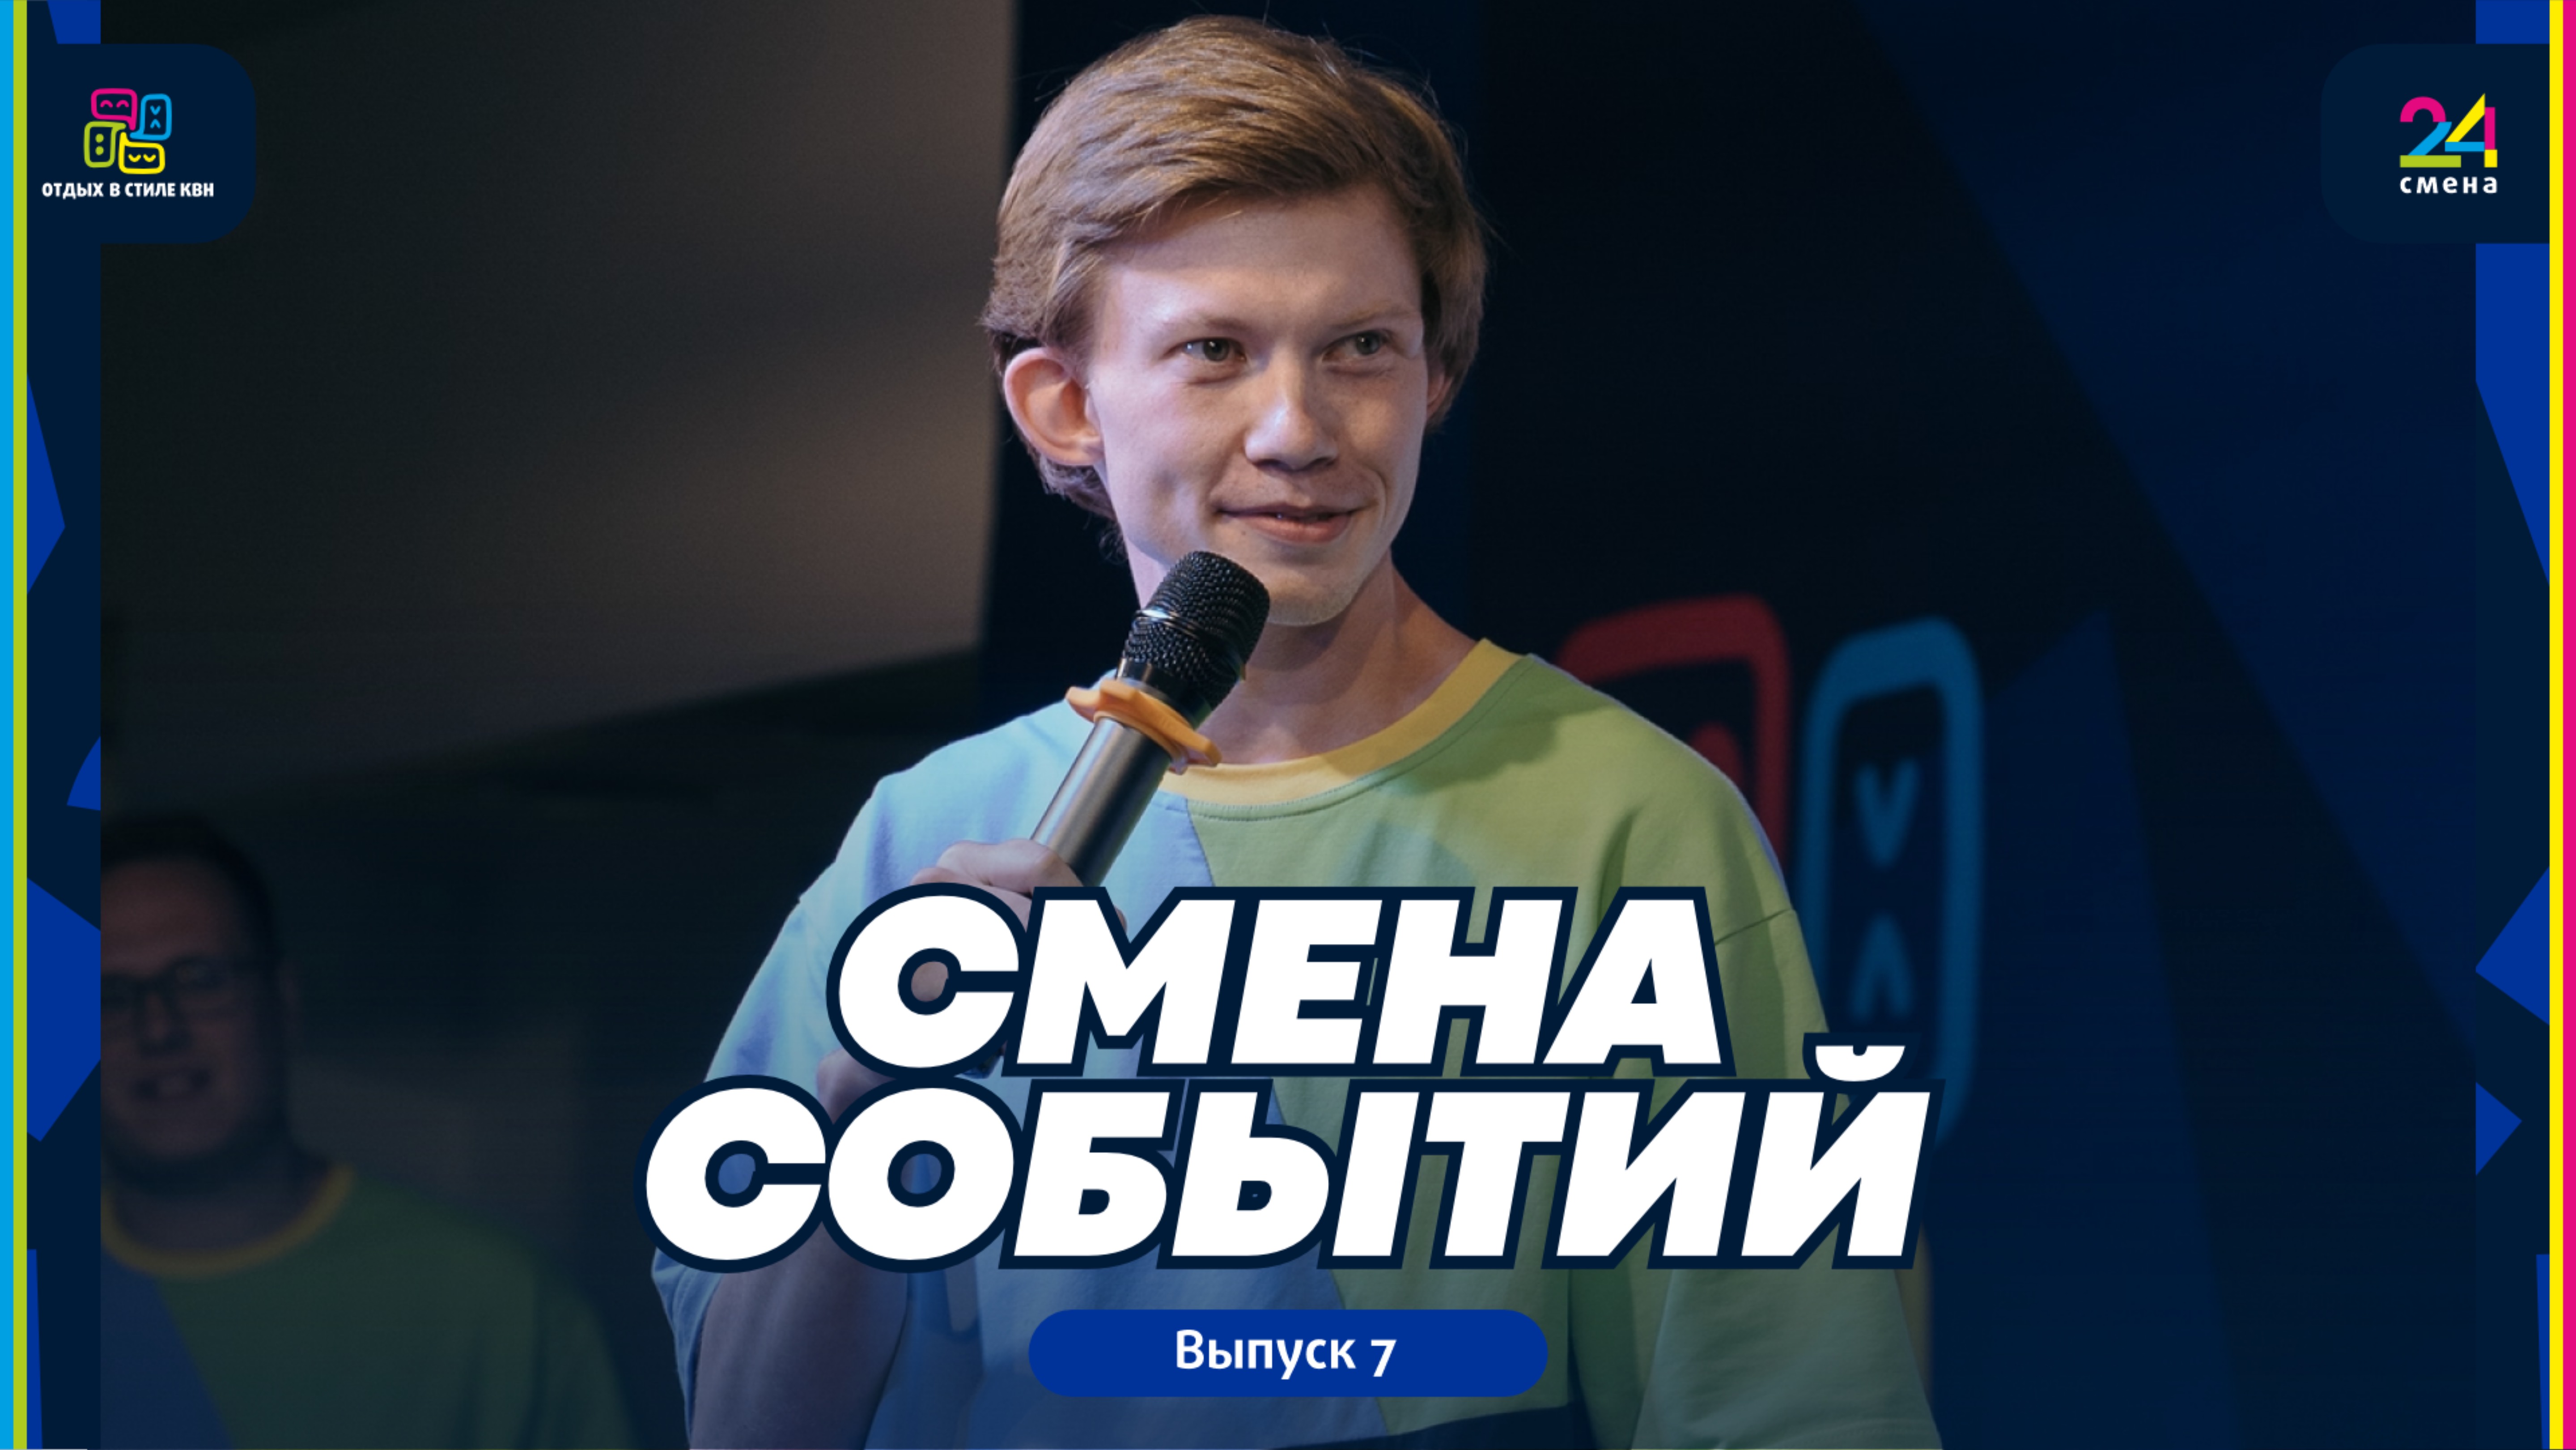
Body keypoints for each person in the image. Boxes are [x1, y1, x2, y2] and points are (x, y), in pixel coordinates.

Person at [662, 17, 1939, 1449]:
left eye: (1361, 348)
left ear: (1435, 374)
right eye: (1214, 350)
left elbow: (1793, 1405)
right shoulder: (926, 837)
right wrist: (869, 1099)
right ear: (1065, 404)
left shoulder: (1629, 817)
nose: (1298, 428)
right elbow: (743, 1427)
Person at [100, 816, 633, 1450]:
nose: (158, 1028)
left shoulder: (500, 1306)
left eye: (201, 980)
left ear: (284, 1001)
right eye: (107, 995)